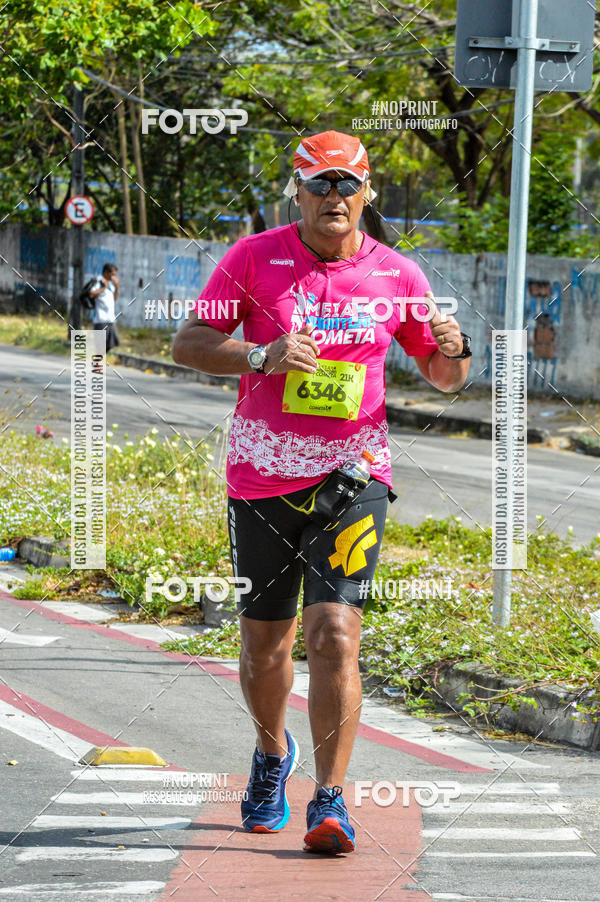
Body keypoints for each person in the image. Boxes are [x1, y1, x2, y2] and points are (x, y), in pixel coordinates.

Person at [173, 130, 471, 854]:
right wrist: (260, 354)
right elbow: (187, 343)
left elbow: (446, 378)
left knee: (335, 632)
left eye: (348, 185)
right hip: (262, 473)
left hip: (355, 474)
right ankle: (273, 754)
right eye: (320, 184)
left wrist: (454, 345)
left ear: (368, 195)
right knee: (265, 643)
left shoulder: (399, 274)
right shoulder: (252, 258)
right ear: (297, 192)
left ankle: (329, 801)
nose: (334, 198)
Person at [89, 262, 120, 351]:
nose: (113, 277)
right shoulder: (98, 281)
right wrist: (103, 288)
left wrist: (117, 287)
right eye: (112, 275)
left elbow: (114, 299)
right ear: (106, 272)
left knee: (111, 344)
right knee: (100, 346)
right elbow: (91, 294)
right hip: (100, 319)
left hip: (110, 319)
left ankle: (97, 362)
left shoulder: (110, 284)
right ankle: (97, 363)